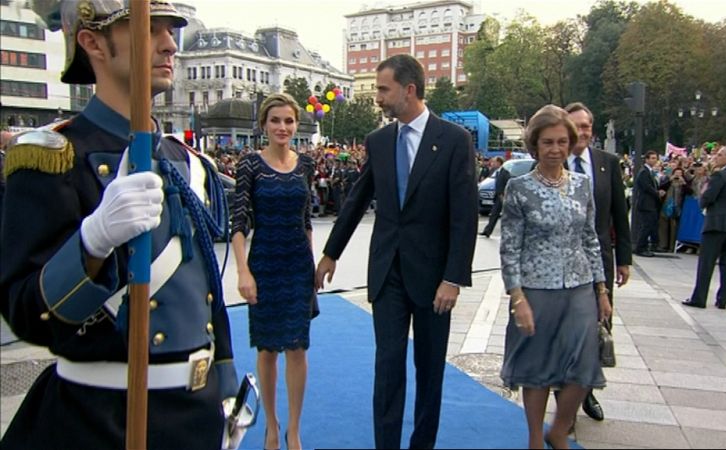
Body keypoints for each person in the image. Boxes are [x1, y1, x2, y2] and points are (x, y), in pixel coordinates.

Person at [0, 1, 238, 448]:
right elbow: (26, 312)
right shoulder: (54, 157)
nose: (170, 44)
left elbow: (207, 292)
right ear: (92, 42)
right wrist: (92, 242)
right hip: (101, 418)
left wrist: (224, 390)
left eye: (171, 31)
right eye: (149, 29)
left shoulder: (188, 163)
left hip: (195, 416)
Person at [315, 54, 477, 449]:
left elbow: (465, 217)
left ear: (409, 90)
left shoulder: (454, 140)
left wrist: (453, 278)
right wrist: (330, 253)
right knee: (387, 366)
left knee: (429, 370)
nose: (378, 98)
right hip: (387, 272)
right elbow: (356, 200)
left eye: (383, 89)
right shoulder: (379, 141)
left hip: (435, 277)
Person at [501, 105, 611, 449]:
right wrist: (517, 297)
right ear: (535, 145)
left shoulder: (582, 185)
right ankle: (536, 437)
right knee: (537, 367)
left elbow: (591, 237)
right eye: (547, 142)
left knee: (584, 365)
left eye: (562, 142)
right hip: (536, 289)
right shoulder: (519, 189)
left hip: (579, 286)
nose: (555, 149)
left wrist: (601, 289)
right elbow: (509, 248)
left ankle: (559, 429)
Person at [231, 93, 316, 450]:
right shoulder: (250, 165)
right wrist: (242, 272)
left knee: (297, 347)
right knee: (267, 349)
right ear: (264, 125)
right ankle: (271, 424)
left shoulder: (306, 165)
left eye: (288, 121)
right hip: (264, 264)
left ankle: (293, 429)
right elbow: (238, 222)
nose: (282, 127)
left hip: (298, 264)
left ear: (296, 125)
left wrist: (313, 269)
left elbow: (307, 219)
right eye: (276, 120)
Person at [564, 102, 632, 424]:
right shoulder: (553, 157)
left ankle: (587, 390)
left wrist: (625, 260)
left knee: (596, 328)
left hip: (599, 262)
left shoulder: (607, 163)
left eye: (587, 126)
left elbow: (619, 212)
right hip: (561, 262)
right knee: (565, 331)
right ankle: (565, 397)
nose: (582, 132)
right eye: (576, 125)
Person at [682, 146, 726, 309]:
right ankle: (723, 298)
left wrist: (702, 201)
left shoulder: (720, 175)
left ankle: (699, 297)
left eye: (720, 155)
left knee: (707, 261)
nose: (716, 157)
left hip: (717, 222)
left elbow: (708, 197)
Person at [633, 150, 664, 257]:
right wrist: (657, 193)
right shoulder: (644, 172)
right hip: (646, 204)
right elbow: (646, 187)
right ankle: (640, 247)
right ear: (646, 159)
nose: (654, 160)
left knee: (650, 225)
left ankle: (646, 246)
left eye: (655, 158)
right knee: (646, 226)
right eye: (652, 158)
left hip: (651, 204)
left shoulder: (650, 172)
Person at [658, 167, 689, 252]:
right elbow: (661, 188)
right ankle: (662, 245)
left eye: (680, 173)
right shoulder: (668, 181)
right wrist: (670, 180)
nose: (678, 175)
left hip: (677, 206)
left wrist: (684, 183)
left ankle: (671, 247)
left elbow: (689, 191)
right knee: (663, 226)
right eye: (676, 173)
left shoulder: (683, 182)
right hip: (666, 206)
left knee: (674, 227)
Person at [481, 156, 508, 237]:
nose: (492, 163)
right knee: (493, 214)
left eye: (494, 162)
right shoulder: (497, 172)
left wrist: (504, 196)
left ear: (499, 163)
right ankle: (487, 231)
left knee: (503, 216)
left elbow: (508, 184)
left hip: (502, 197)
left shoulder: (505, 173)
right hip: (497, 197)